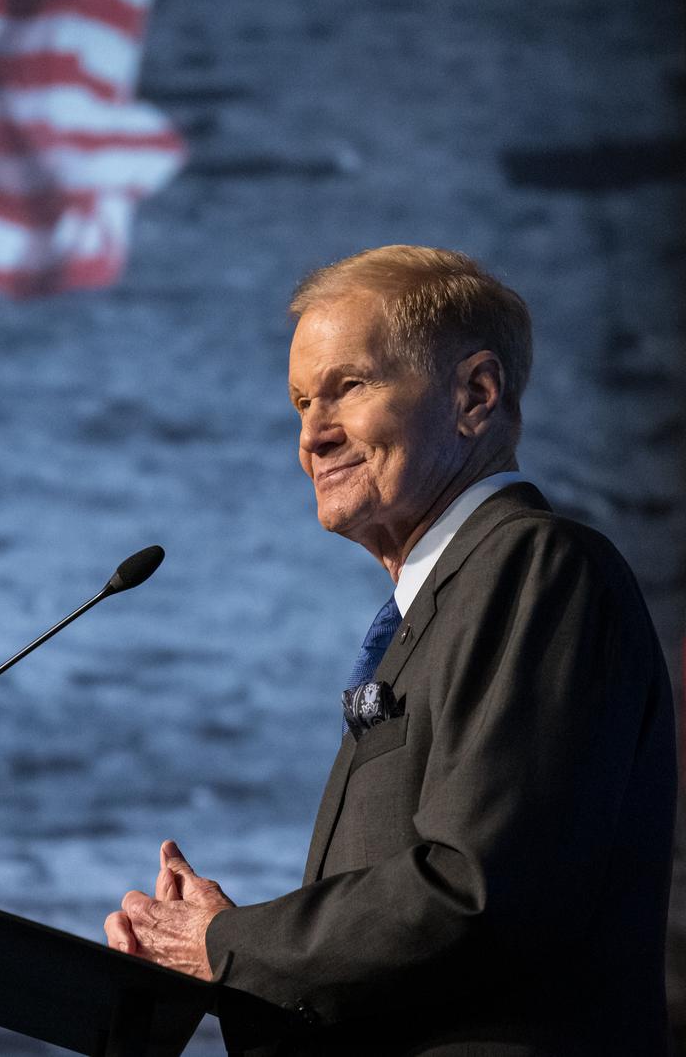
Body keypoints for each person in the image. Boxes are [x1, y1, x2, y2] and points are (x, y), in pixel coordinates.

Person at [104, 246, 677, 1055]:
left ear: (475, 395)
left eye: (349, 386)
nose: (312, 434)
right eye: (301, 402)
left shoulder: (534, 567)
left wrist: (231, 946)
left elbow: (480, 891)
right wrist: (213, 960)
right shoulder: (440, 606)